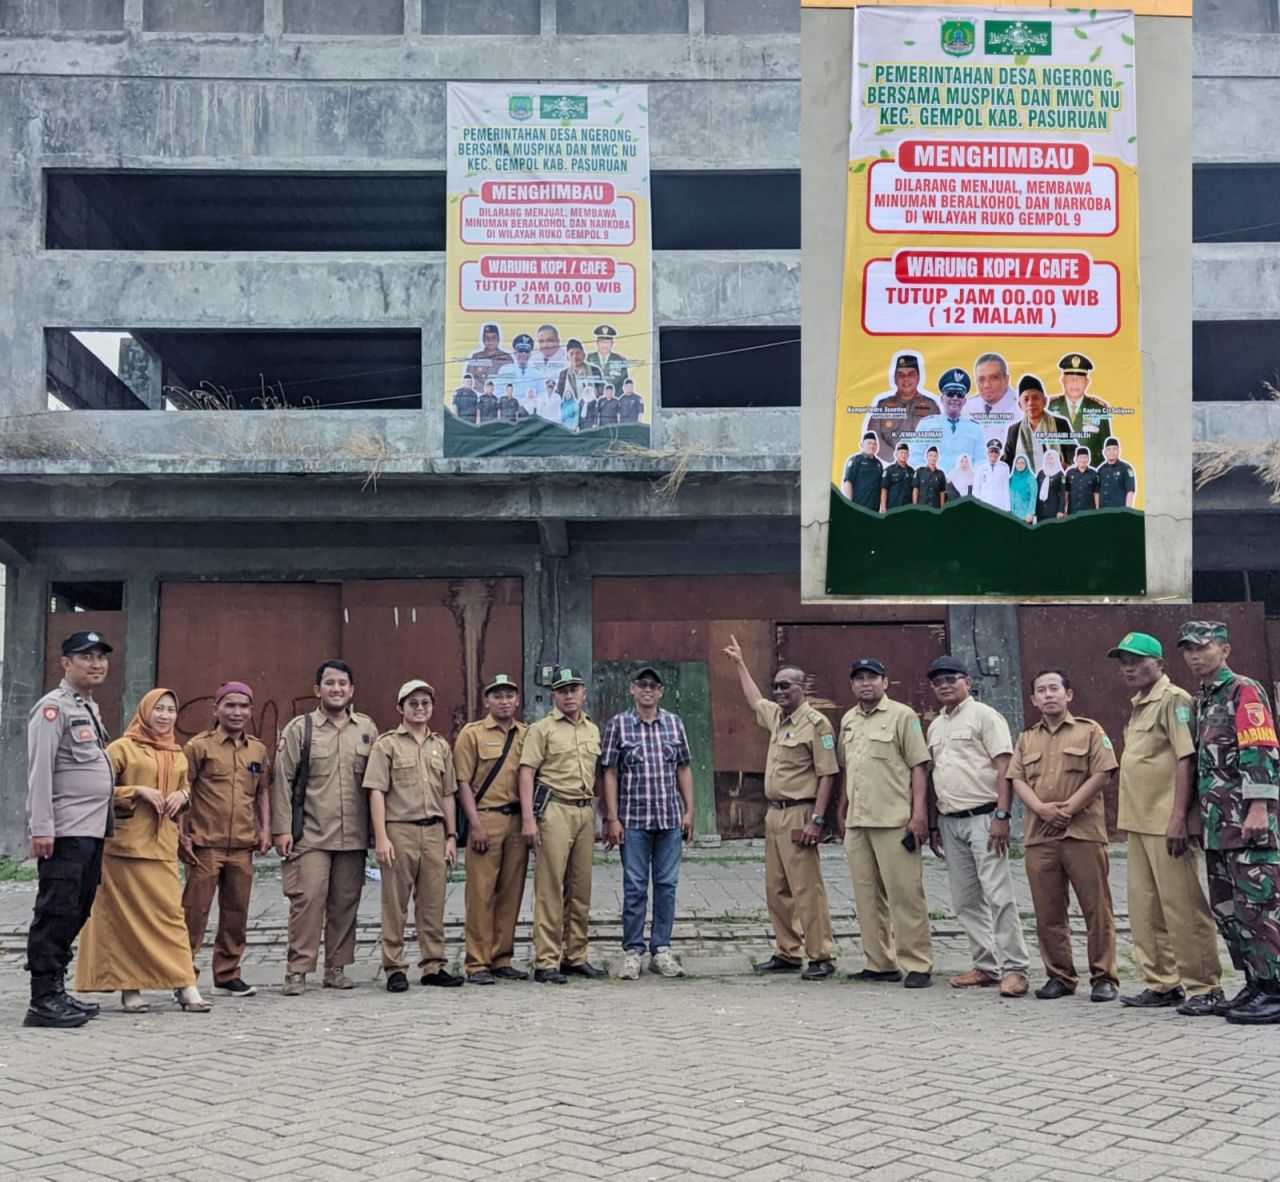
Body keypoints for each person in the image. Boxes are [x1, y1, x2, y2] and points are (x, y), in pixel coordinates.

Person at [75, 688, 210, 1014]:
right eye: (158, 709)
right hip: (122, 849)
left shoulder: (176, 752)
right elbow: (95, 787)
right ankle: (130, 988)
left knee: (171, 918)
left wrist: (183, 797)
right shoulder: (121, 748)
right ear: (144, 711)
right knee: (123, 922)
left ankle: (185, 984)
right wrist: (136, 791)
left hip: (161, 847)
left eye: (170, 710)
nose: (164, 716)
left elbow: (185, 786)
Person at [1108, 632, 1223, 1014]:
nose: (1129, 667)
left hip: (1166, 822)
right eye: (1123, 660)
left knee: (1183, 907)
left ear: (1159, 664)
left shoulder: (1174, 701)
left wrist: (1179, 818)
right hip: (1138, 823)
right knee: (1145, 909)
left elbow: (1185, 759)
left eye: (1137, 660)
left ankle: (1204, 986)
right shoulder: (1140, 703)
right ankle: (1162, 983)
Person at [1178, 620, 1280, 1025]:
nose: (1194, 655)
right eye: (1188, 649)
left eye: (1203, 647)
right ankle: (1255, 982)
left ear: (1225, 650)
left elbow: (1260, 749)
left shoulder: (1244, 690)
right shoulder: (1203, 698)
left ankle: (1275, 989)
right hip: (1219, 826)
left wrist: (1258, 808)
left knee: (1259, 908)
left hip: (1249, 825)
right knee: (1230, 911)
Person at [724, 635, 838, 981]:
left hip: (800, 813)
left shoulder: (817, 725)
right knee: (777, 888)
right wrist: (741, 663)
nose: (778, 691)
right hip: (774, 814)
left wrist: (817, 820)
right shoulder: (778, 718)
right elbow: (753, 699)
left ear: (803, 687)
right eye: (776, 686)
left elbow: (828, 775)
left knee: (807, 889)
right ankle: (788, 952)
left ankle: (821, 955)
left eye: (786, 686)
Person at [23, 630, 116, 1029]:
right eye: (86, 657)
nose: (96, 663)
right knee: (55, 910)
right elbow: (39, 771)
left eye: (100, 657)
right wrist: (41, 828)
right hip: (64, 831)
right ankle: (42, 999)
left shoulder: (88, 707)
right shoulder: (53, 709)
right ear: (66, 663)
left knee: (76, 909)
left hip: (90, 831)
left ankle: (57, 991)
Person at [1008, 670, 1119, 1002]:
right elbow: (1016, 779)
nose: (1048, 695)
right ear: (1033, 700)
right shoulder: (1027, 738)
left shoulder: (1090, 731)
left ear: (1068, 694)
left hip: (1082, 833)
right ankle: (1059, 975)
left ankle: (1104, 976)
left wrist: (1068, 808)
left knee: (1096, 909)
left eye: (1054, 688)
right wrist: (1041, 809)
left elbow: (1103, 774)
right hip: (1040, 837)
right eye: (1041, 690)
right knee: (1047, 911)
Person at [925, 655, 1032, 997]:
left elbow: (1005, 768)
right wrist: (933, 825)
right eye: (937, 680)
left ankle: (1015, 968)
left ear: (967, 682)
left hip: (986, 818)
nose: (944, 685)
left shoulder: (986, 716)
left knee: (999, 896)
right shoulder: (935, 725)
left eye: (951, 678)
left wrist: (1003, 816)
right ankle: (986, 965)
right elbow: (936, 776)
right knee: (965, 900)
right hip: (950, 821)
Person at [271, 660, 378, 996]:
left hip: (353, 835)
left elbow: (378, 783)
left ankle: (336, 967)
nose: (336, 689)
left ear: (352, 690)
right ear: (317, 689)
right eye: (329, 683)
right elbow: (282, 781)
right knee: (307, 900)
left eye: (342, 684)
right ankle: (298, 970)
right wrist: (282, 829)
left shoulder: (366, 729)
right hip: (311, 834)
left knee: (346, 902)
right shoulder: (299, 729)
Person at [834, 658, 933, 988]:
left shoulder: (903, 716)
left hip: (894, 821)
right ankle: (880, 962)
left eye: (872, 678)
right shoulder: (848, 720)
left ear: (885, 683)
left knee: (905, 895)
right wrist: (842, 810)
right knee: (866, 896)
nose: (866, 684)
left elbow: (919, 766)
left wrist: (919, 815)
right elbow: (848, 769)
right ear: (852, 685)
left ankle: (917, 963)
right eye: (859, 678)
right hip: (858, 822)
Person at [363, 679, 462, 992]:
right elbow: (377, 792)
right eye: (413, 704)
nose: (420, 709)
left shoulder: (440, 746)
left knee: (433, 903)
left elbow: (448, 794)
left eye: (425, 703)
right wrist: (381, 837)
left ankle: (433, 965)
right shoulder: (386, 744)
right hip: (399, 830)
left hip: (433, 832)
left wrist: (451, 835)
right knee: (395, 904)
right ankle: (394, 967)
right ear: (400, 708)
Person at [601, 667, 695, 981]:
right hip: (634, 822)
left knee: (667, 886)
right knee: (635, 887)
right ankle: (632, 951)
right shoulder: (619, 725)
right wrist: (612, 818)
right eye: (642, 685)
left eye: (653, 686)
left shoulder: (674, 723)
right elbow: (610, 772)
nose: (647, 690)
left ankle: (661, 950)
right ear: (632, 689)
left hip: (669, 820)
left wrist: (690, 810)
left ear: (661, 692)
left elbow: (683, 767)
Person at [180, 680, 271, 998]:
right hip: (205, 846)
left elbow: (262, 793)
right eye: (229, 705)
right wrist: (182, 834)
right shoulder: (198, 747)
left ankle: (228, 973)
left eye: (243, 706)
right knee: (194, 912)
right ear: (215, 709)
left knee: (236, 913)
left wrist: (266, 829)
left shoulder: (257, 749)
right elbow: (184, 793)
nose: (236, 712)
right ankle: (183, 974)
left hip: (242, 847)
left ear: (250, 711)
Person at [519, 667, 606, 984]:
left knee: (580, 889)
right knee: (550, 887)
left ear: (584, 693)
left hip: (584, 810)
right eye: (563, 690)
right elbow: (527, 772)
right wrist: (529, 818)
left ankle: (575, 956)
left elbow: (597, 773)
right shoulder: (541, 729)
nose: (569, 695)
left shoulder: (592, 730)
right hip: (554, 810)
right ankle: (545, 961)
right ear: (554, 695)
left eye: (574, 689)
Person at [454, 674, 529, 985]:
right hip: (486, 819)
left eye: (509, 695)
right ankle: (477, 962)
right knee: (481, 894)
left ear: (517, 700)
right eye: (497, 695)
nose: (504, 701)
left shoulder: (526, 735)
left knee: (511, 893)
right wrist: (474, 824)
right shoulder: (471, 735)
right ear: (487, 701)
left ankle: (502, 958)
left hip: (517, 820)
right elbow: (462, 782)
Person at [862, 352, 941, 462]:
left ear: (918, 378)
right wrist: (895, 459)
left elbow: (937, 438)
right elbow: (873, 436)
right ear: (895, 379)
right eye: (901, 375)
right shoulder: (883, 405)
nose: (906, 379)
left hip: (921, 466)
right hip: (888, 465)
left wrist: (917, 460)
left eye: (911, 374)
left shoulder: (931, 406)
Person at [910, 370, 986, 471]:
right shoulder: (926, 425)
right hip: (934, 483)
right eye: (950, 394)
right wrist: (928, 478)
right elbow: (915, 458)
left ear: (964, 401)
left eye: (960, 395)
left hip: (965, 484)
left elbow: (980, 461)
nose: (955, 398)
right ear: (942, 398)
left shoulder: (975, 428)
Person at [1048, 353, 1112, 467]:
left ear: (1087, 382)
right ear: (1062, 380)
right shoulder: (1049, 408)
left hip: (1090, 476)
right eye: (1070, 378)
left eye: (1079, 378)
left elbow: (1106, 450)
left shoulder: (1098, 409)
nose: (1074, 382)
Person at [1000, 376, 1074, 471]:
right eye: (1026, 399)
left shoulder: (1060, 424)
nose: (1030, 403)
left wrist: (1068, 466)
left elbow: (1072, 452)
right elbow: (1007, 461)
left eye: (1035, 398)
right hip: (1026, 482)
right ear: (1019, 405)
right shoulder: (1014, 430)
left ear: (1044, 401)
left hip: (1054, 480)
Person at [963, 352, 1022, 428]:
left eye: (994, 378)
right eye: (981, 380)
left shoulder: (1023, 409)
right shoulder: (967, 407)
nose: (986, 385)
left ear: (1006, 380)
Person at [494, 333, 544, 404]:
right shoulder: (505, 370)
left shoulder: (537, 373)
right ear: (515, 353)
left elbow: (541, 394)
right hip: (510, 409)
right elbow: (498, 392)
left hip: (529, 410)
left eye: (526, 351)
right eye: (520, 351)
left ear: (530, 354)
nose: (523, 354)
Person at [556, 338, 603, 412]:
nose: (575, 357)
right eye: (571, 354)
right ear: (567, 357)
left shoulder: (594, 370)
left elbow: (601, 392)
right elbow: (559, 396)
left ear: (584, 355)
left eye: (578, 353)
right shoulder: (563, 374)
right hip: (570, 412)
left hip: (590, 411)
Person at [841, 433, 884, 510]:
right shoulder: (855, 460)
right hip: (858, 506)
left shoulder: (879, 464)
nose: (872, 446)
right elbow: (848, 482)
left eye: (874, 444)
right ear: (862, 445)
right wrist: (849, 504)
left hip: (874, 509)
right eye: (869, 443)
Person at [586, 323, 630, 389]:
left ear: (612, 344)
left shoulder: (619, 360)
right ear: (596, 343)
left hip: (614, 397)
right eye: (602, 342)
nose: (604, 345)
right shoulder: (588, 358)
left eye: (607, 342)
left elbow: (624, 384)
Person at [1097, 437, 1137, 509]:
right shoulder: (1100, 470)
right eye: (1109, 449)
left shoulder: (1126, 468)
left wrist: (1127, 511)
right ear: (1105, 452)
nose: (1112, 452)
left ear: (1119, 450)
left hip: (1119, 512)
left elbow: (1130, 491)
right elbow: (1097, 492)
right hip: (1103, 512)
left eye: (1114, 449)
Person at [972, 439, 1011, 511]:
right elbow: (976, 489)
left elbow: (1006, 489)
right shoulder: (980, 467)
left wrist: (1007, 508)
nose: (993, 454)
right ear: (987, 452)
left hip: (999, 505)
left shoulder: (1004, 468)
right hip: (984, 504)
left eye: (996, 452)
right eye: (991, 451)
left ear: (999, 454)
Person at [879, 442, 915, 512]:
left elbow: (914, 490)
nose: (903, 455)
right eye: (901, 452)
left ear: (908, 455)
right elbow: (884, 490)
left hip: (908, 509)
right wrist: (883, 507)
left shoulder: (912, 471)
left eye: (906, 453)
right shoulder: (889, 470)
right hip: (893, 508)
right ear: (896, 454)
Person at [1064, 447, 1100, 515]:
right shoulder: (1069, 473)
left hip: (1089, 511)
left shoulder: (1094, 473)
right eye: (1080, 457)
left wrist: (1097, 509)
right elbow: (1066, 492)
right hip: (1073, 511)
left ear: (1088, 459)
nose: (1083, 460)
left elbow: (1096, 493)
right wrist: (1063, 509)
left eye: (1085, 457)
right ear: (1076, 459)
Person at [1035, 450, 1066, 521]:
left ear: (1056, 459)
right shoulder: (1041, 473)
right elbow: (1036, 491)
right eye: (1047, 458)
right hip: (1040, 510)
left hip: (1053, 511)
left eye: (1051, 458)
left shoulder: (1061, 474)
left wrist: (1061, 510)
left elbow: (1062, 493)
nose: (1049, 460)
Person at [1008, 455, 1036, 523]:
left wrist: (1030, 513)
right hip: (1011, 514)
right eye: (1018, 463)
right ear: (1015, 464)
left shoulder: (1030, 478)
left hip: (1024, 515)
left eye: (1022, 463)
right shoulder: (1011, 479)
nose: (1020, 465)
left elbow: (1033, 497)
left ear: (1026, 464)